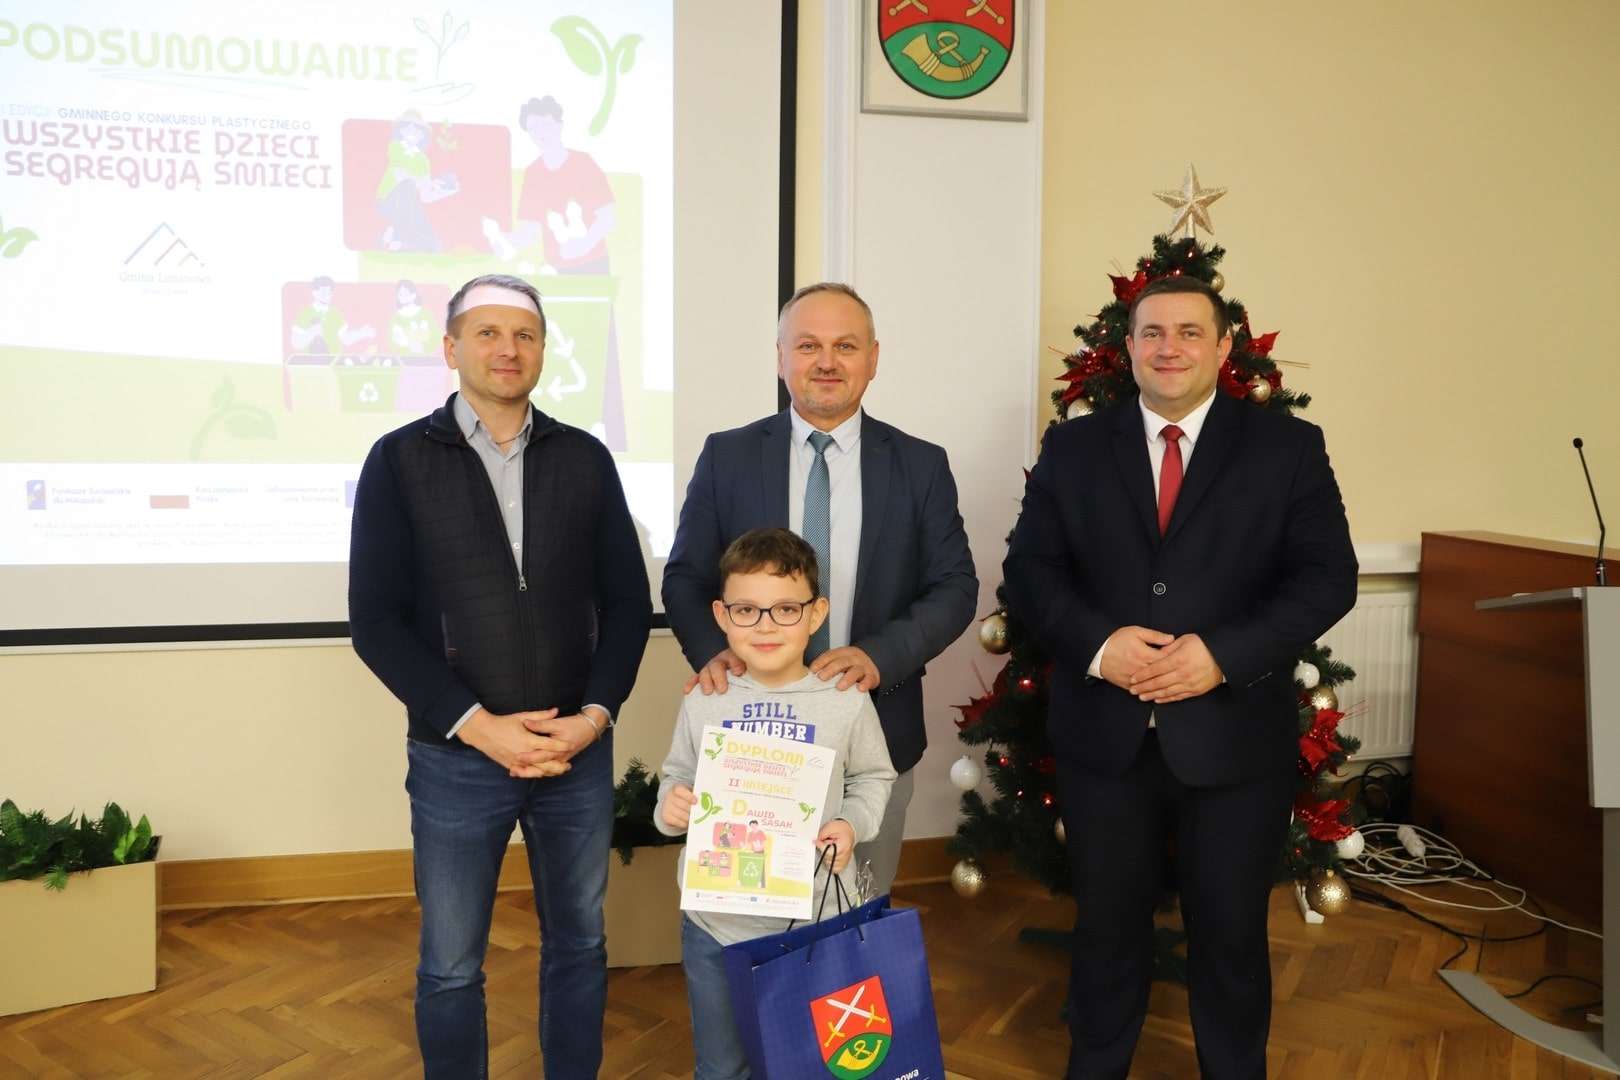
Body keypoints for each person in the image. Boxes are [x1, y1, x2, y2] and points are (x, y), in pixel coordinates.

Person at [1002, 275, 1357, 1079]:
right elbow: (1030, 572)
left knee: (1231, 935)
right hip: (1105, 736)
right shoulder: (1074, 448)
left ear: (1224, 346)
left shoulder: (1287, 448)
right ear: (1128, 347)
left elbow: (1328, 578)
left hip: (1235, 739)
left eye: (1190, 332)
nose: (1170, 348)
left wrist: (1221, 655)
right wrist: (1101, 647)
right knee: (1106, 931)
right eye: (1153, 332)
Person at [348, 273, 651, 1078]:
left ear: (544, 350)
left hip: (573, 752)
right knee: (451, 965)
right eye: (486, 332)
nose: (507, 349)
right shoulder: (398, 461)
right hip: (456, 759)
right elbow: (374, 622)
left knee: (580, 946)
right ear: (450, 348)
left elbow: (629, 604)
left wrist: (594, 717)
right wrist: (479, 727)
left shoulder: (585, 458)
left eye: (524, 334)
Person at [662, 282, 977, 897]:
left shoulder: (920, 465)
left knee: (856, 909)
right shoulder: (727, 456)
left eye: (845, 346)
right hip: (747, 737)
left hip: (873, 731)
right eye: (808, 345)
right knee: (748, 909)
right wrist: (714, 653)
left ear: (873, 358)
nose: (827, 362)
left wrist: (879, 657)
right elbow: (686, 578)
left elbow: (955, 586)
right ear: (780, 357)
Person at [655, 527, 897, 1080]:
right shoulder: (706, 697)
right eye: (747, 610)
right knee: (722, 1066)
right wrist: (671, 808)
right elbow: (677, 777)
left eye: (786, 609)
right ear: (721, 616)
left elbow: (872, 777)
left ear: (816, 614)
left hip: (817, 920)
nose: (765, 626)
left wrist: (850, 825)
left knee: (817, 1063)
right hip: (716, 924)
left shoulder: (845, 700)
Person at [289, 276, 375, 354]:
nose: (327, 296)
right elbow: (296, 344)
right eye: (323, 292)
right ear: (314, 293)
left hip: (333, 361)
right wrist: (311, 333)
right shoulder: (305, 314)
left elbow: (345, 339)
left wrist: (361, 333)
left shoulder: (335, 314)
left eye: (329, 292)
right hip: (311, 362)